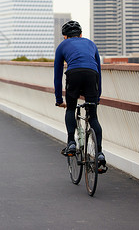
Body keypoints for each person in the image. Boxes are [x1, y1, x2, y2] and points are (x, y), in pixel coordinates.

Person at [54, 20, 106, 168]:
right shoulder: (91, 44)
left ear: (65, 37)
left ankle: (71, 143)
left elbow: (57, 75)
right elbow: (99, 72)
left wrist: (58, 99)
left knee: (71, 108)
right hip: (92, 76)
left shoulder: (62, 46)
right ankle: (100, 153)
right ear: (81, 34)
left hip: (74, 74)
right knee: (93, 116)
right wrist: (97, 96)